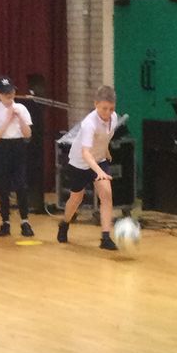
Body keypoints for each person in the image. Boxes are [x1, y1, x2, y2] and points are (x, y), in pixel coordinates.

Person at [57, 86, 119, 250]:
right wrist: (98, 171)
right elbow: (85, 152)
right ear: (96, 104)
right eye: (104, 108)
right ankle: (64, 223)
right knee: (76, 198)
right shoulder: (88, 124)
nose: (107, 112)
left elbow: (105, 137)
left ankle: (105, 237)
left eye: (111, 108)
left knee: (106, 194)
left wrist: (106, 151)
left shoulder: (114, 118)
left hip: (98, 159)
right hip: (80, 162)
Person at [0, 77, 36, 237]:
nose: (9, 95)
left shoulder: (21, 108)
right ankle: (5, 222)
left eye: (11, 91)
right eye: (5, 92)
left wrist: (19, 118)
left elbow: (28, 134)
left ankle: (25, 221)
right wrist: (8, 119)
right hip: (3, 147)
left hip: (18, 146)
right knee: (3, 186)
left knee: (21, 185)